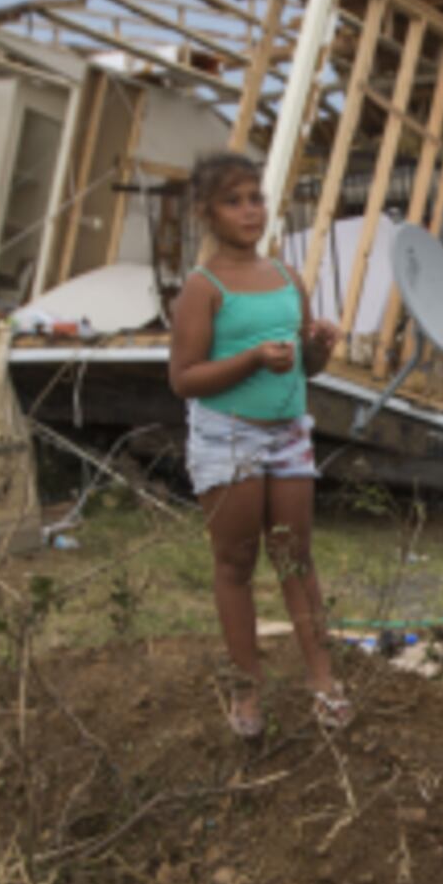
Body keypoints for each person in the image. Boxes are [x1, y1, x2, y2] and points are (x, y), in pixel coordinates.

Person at [167, 151, 348, 737]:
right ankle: (247, 692)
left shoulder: (287, 277)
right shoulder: (204, 287)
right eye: (234, 200)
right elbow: (184, 379)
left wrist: (319, 345)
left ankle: (322, 677)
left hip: (289, 431)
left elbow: (306, 369)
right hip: (229, 435)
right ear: (206, 212)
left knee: (295, 555)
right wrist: (249, 358)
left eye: (256, 199)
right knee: (237, 561)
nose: (250, 211)